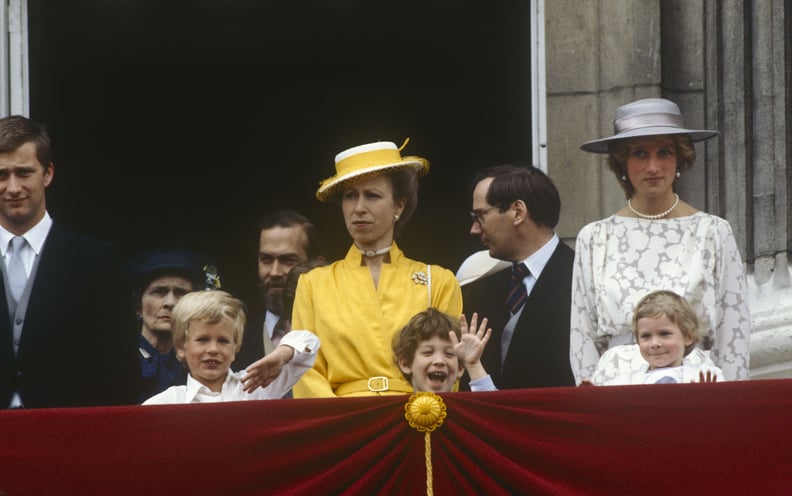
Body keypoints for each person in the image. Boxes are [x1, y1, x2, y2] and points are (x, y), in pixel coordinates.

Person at [572, 98, 750, 384]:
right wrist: (589, 400)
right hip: (616, 386)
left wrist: (731, 404)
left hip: (694, 386)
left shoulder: (713, 231)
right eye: (640, 154)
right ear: (622, 163)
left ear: (680, 159)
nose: (653, 166)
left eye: (664, 152)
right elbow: (582, 335)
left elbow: (733, 333)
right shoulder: (594, 237)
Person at [291, 139, 463, 397]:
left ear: (399, 205)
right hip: (343, 422)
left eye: (372, 195)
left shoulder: (438, 280)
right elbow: (304, 370)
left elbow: (448, 366)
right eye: (350, 196)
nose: (359, 208)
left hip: (415, 419)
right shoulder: (313, 284)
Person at [0, 115, 139, 408]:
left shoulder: (97, 262)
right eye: (2, 174)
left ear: (48, 173)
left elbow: (120, 373)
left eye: (24, 173)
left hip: (67, 441)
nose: (12, 188)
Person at [461, 164, 576, 389]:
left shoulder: (582, 279)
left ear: (518, 212)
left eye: (480, 216)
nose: (474, 229)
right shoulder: (481, 291)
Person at [143, 290, 319, 404]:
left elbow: (310, 341)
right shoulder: (167, 403)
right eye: (203, 340)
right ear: (181, 347)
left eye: (223, 341)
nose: (213, 349)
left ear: (235, 348)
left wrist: (281, 354)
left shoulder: (255, 386)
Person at [234, 210, 322, 369]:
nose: (274, 272)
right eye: (266, 259)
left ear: (315, 263)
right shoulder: (236, 342)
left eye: (288, 260)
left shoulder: (335, 335)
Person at [124, 249, 208, 403]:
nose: (170, 302)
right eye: (159, 292)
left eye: (181, 292)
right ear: (138, 306)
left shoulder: (202, 359)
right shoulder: (118, 360)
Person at [593, 290, 724, 385]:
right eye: (646, 336)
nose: (654, 343)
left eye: (664, 334)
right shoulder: (624, 383)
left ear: (687, 337)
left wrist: (707, 397)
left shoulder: (708, 377)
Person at [393, 308, 495, 393]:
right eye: (428, 352)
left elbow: (493, 413)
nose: (439, 361)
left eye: (449, 354)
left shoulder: (466, 411)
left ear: (459, 368)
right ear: (406, 364)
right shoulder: (394, 413)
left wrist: (473, 365)